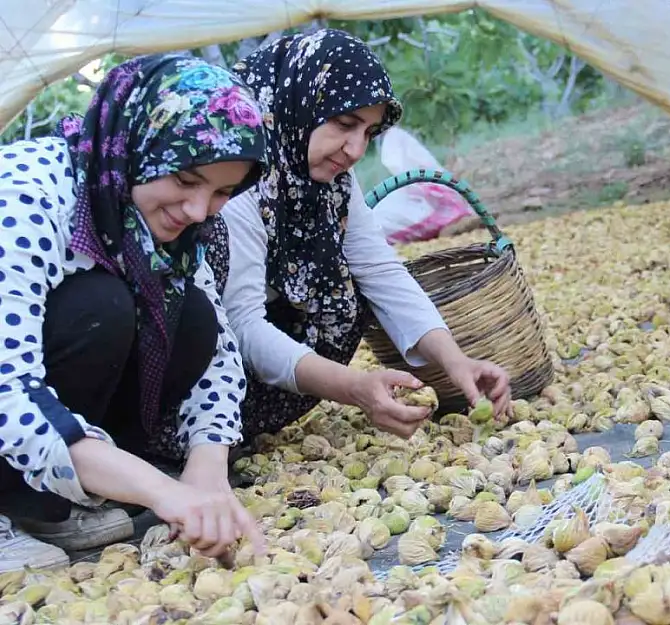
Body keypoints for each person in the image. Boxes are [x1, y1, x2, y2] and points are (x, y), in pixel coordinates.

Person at [0, 54, 269, 572]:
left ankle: (58, 499)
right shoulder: (27, 195)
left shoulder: (168, 224)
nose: (197, 210)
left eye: (220, 192)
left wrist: (205, 468)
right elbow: (8, 389)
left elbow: (218, 350)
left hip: (44, 418)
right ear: (141, 147)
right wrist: (160, 491)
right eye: (186, 180)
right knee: (99, 306)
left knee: (189, 315)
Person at [207, 29, 512, 446]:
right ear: (298, 104)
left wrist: (455, 361)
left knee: (350, 292)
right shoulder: (237, 176)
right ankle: (203, 442)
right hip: (205, 370)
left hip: (269, 354)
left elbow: (381, 269)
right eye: (345, 124)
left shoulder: (333, 184)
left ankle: (252, 427)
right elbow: (240, 322)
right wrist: (353, 387)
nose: (354, 149)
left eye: (368, 134)